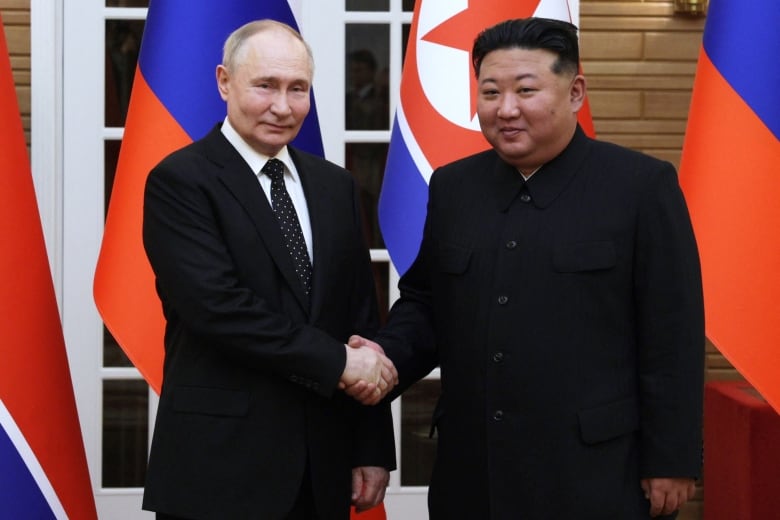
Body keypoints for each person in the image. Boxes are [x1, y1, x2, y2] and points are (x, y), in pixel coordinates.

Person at [348, 17, 704, 519]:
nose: (506, 109)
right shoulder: (454, 187)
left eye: (526, 90)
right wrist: (381, 362)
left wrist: (672, 456)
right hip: (473, 471)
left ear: (575, 91)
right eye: (490, 92)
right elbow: (428, 303)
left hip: (594, 471)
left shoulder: (640, 188)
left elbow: (673, 331)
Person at [141, 20, 397, 520]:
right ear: (224, 82)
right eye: (265, 86)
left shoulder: (335, 186)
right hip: (219, 469)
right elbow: (218, 309)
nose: (283, 106)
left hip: (321, 467)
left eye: (297, 89)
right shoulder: (180, 181)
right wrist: (338, 362)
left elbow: (360, 319)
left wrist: (370, 446)